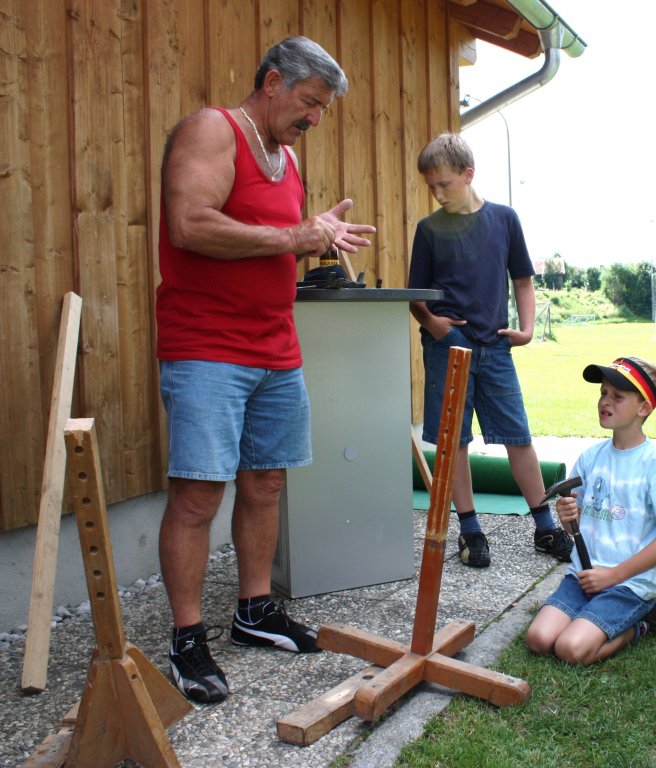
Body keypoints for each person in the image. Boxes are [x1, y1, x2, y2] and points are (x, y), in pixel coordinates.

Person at [156, 36, 375, 703]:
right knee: (199, 494)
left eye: (322, 109)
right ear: (274, 82)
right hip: (206, 346)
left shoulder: (287, 157)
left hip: (275, 345)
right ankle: (188, 639)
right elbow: (190, 222)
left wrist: (317, 237)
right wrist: (292, 237)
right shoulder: (212, 130)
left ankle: (254, 612)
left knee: (267, 484)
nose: (314, 118)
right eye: (309, 102)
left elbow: (277, 238)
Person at [408, 133, 573, 569]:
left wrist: (528, 327)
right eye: (431, 187)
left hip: (496, 348)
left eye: (445, 183)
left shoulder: (504, 219)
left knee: (518, 437)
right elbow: (415, 298)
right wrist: (434, 325)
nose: (438, 193)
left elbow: (522, 278)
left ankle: (544, 526)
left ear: (468, 174)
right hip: (448, 351)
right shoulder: (427, 231)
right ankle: (471, 533)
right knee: (455, 442)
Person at [525, 356, 656, 665]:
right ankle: (595, 617)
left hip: (627, 584)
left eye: (618, 397)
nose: (605, 401)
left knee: (571, 650)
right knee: (538, 640)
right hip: (583, 577)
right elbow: (573, 526)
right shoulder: (590, 458)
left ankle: (641, 624)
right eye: (603, 393)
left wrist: (613, 576)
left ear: (643, 408)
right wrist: (568, 518)